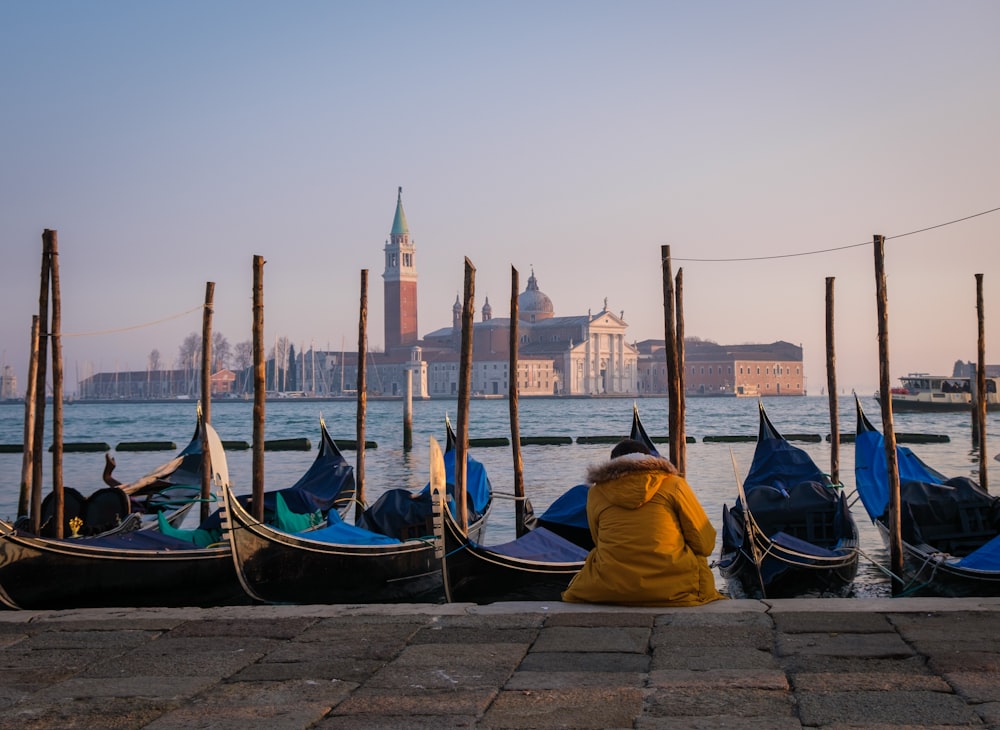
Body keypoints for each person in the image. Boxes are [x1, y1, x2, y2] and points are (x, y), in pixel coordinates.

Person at [562, 438, 724, 607]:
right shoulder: (675, 485)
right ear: (650, 460)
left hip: (610, 586)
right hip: (676, 588)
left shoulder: (595, 492)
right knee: (697, 552)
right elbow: (705, 544)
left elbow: (597, 539)